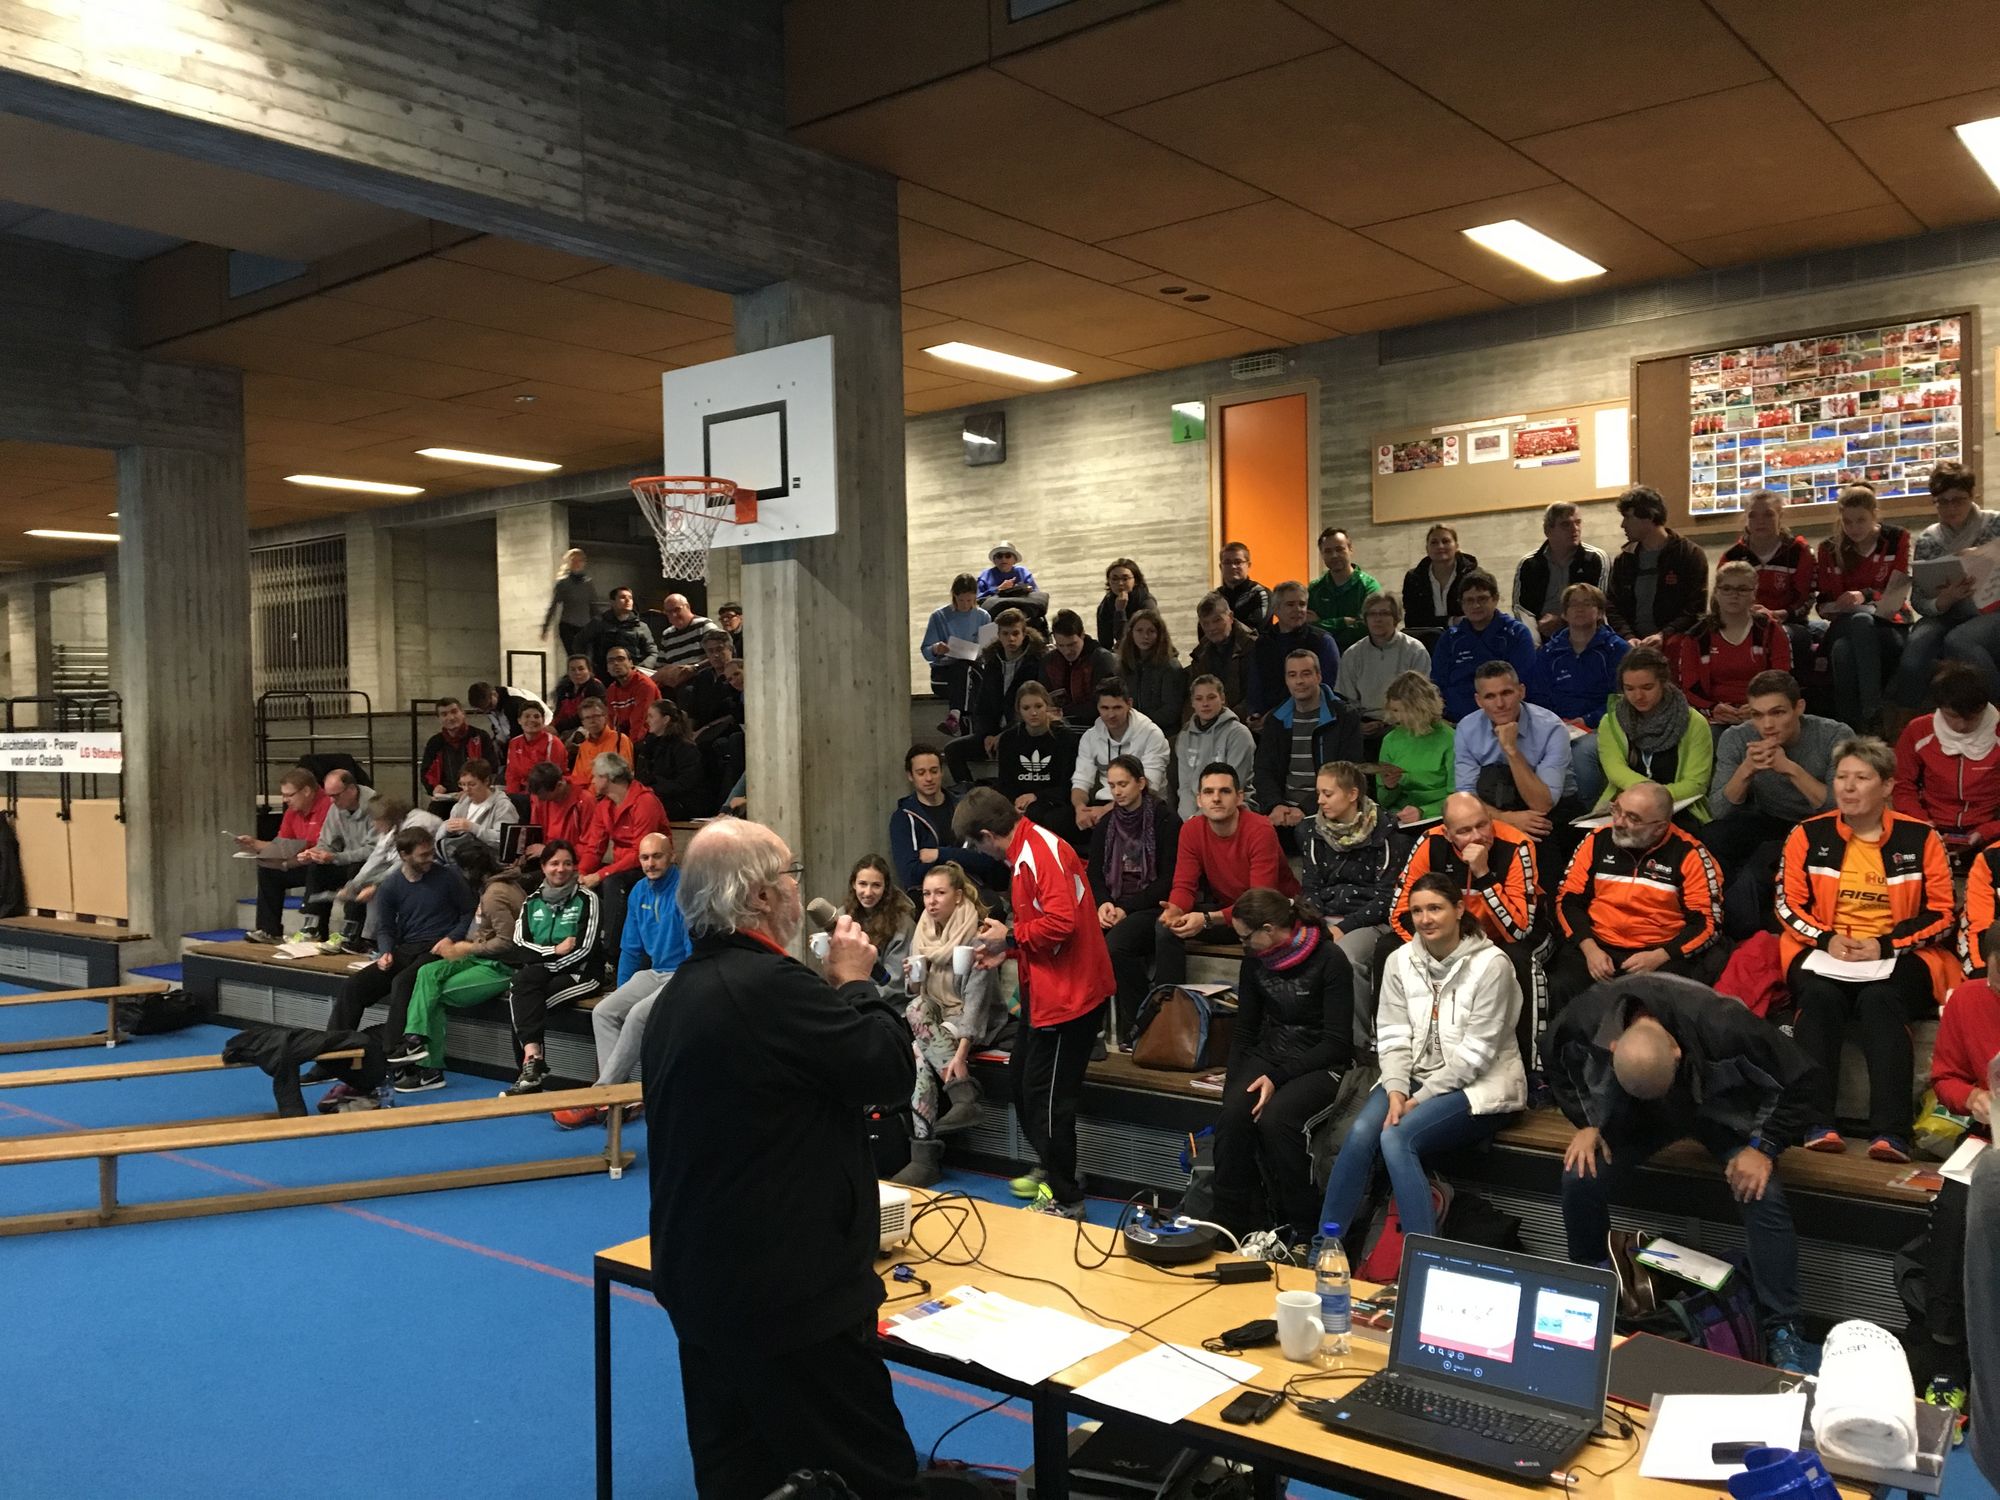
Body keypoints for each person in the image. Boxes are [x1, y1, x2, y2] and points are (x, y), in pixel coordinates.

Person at [640, 819, 921, 1500]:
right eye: (792, 874)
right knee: (869, 1475)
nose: (800, 888)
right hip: (789, 1298)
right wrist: (855, 983)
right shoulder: (768, 986)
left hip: (708, 1282)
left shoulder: (680, 993)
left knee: (742, 1472)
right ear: (762, 896)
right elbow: (887, 1070)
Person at [1546, 973, 1821, 1374]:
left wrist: (1763, 1148)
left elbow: (1803, 1079)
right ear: (1614, 1047)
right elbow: (1556, 1061)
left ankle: (1783, 1326)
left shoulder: (1724, 1024)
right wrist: (1587, 1122)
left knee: (1763, 1191)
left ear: (1676, 1050)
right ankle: (1592, 1293)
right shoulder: (1583, 1020)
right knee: (1580, 1174)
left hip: (1716, 1108)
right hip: (1636, 1112)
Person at [1320, 872, 1525, 1242]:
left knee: (1397, 1138)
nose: (1426, 919)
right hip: (1412, 1080)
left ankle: (1422, 1256)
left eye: (1435, 908)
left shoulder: (1492, 964)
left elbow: (1476, 1055)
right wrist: (1397, 1089)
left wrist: (1420, 1098)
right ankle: (1326, 1247)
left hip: (1480, 1085)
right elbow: (1393, 1035)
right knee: (1361, 1133)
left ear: (1459, 909)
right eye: (1417, 911)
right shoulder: (1400, 960)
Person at [1779, 735, 1955, 1161]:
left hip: (1899, 955)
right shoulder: (1807, 834)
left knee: (1881, 1000)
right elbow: (1786, 905)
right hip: (1825, 949)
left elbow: (1943, 914)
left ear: (1888, 785)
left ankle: (1891, 1134)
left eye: (1861, 778)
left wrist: (1885, 945)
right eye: (1842, 777)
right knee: (1818, 996)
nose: (1848, 787)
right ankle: (1817, 1124)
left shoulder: (1922, 838)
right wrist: (1827, 939)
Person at [955, 786, 1116, 1221]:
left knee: (1047, 1101)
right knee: (1025, 1087)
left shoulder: (1039, 853)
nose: (979, 853)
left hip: (1070, 997)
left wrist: (1008, 936)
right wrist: (1007, 950)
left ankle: (1067, 1198)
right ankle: (1056, 1168)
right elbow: (1044, 926)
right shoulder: (1027, 850)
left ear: (987, 836)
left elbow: (1061, 924)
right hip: (1045, 992)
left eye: (976, 845)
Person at [1212, 887, 1355, 1239]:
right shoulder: (1254, 961)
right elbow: (1245, 1030)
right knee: (1233, 1115)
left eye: (1246, 937)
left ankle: (1304, 1229)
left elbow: (1337, 1043)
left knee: (1277, 1120)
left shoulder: (1330, 958)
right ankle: (1229, 1225)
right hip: (1272, 1050)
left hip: (1321, 1059)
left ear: (1270, 929)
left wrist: (1277, 1077)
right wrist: (1233, 1088)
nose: (1243, 945)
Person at [316, 826, 476, 1108]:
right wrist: (386, 951)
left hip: (441, 948)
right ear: (404, 855)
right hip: (406, 948)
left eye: (430, 853)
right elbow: (386, 927)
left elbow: (468, 912)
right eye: (423, 855)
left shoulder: (448, 877)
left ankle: (394, 1051)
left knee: (403, 981)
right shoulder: (391, 885)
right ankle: (332, 1056)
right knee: (354, 987)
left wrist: (451, 938)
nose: (430, 859)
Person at [1547, 781, 1725, 1019]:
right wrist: (1589, 949)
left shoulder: (1691, 855)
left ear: (1659, 827)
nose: (1619, 822)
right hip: (1597, 945)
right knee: (1560, 986)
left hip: (1658, 952)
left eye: (1633, 818)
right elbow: (1567, 900)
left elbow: (1708, 923)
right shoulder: (1596, 840)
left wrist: (1661, 955)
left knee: (1656, 1008)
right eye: (1617, 810)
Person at [552, 832, 690, 1130]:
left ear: (672, 856)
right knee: (604, 1011)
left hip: (685, 974)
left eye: (657, 856)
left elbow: (697, 951)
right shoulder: (639, 891)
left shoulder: (686, 891)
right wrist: (622, 991)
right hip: (655, 972)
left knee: (638, 1015)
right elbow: (630, 948)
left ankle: (599, 1095)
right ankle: (618, 1099)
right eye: (644, 857)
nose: (650, 863)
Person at [1908, 956, 1998, 1404]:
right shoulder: (1968, 999)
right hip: (1988, 1135)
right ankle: (1946, 1357)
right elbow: (1945, 1077)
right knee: (1953, 1212)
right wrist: (1971, 1096)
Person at [1388, 793, 1544, 1048]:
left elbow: (1519, 929)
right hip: (1449, 940)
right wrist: (1442, 951)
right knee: (1388, 947)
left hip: (1504, 937)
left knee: (1518, 958)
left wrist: (1484, 875)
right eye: (1464, 831)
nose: (1477, 837)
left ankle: (1531, 1060)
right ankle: (1390, 1048)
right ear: (1447, 834)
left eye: (1482, 825)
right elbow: (1401, 912)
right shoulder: (1430, 843)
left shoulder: (1517, 845)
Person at [890, 861, 1008, 1187]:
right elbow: (916, 994)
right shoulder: (923, 931)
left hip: (972, 1018)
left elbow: (977, 1005)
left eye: (940, 893)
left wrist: (960, 1055)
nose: (931, 901)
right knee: (916, 1011)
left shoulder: (978, 936)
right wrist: (913, 979)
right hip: (935, 1019)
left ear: (957, 896)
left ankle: (924, 1156)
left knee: (919, 1049)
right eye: (927, 894)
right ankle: (963, 1095)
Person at [1707, 670, 1842, 935]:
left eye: (1777, 713)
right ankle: (1712, 915)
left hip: (1822, 827)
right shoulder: (1736, 738)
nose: (1767, 724)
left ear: (1799, 707)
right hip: (1769, 817)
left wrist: (1790, 769)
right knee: (1713, 836)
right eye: (1757, 715)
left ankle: (1747, 927)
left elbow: (1841, 807)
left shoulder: (1833, 735)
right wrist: (1746, 770)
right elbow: (1718, 810)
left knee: (1764, 861)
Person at [386, 841, 529, 1092]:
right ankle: (414, 1039)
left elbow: (507, 942)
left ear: (469, 871)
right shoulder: (495, 885)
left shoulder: (495, 893)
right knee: (427, 972)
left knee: (434, 996)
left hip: (505, 965)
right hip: (481, 956)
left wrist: (467, 948)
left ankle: (430, 1068)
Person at [1155, 763, 1298, 986]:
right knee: (1167, 928)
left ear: (1239, 797)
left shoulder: (1260, 829)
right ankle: (1171, 1000)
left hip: (1273, 914)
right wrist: (1175, 910)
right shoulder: (1191, 830)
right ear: (1199, 800)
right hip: (1229, 912)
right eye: (1208, 792)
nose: (1216, 798)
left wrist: (1207, 919)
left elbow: (1259, 903)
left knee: (1255, 929)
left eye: (1224, 791)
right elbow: (1184, 886)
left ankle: (1252, 1005)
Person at [1299, 761, 1411, 1014]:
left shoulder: (1387, 833)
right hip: (1324, 917)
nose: (1320, 801)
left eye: (1328, 794)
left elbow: (1386, 898)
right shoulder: (1312, 832)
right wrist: (1317, 925)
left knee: (1344, 958)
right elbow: (1311, 888)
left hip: (1369, 921)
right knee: (1286, 947)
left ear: (1352, 794)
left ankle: (1356, 1036)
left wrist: (1343, 928)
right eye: (1318, 793)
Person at [1893, 460, 2000, 720]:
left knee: (1959, 641)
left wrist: (1981, 556)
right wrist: (1942, 600)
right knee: (1916, 649)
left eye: (1958, 500)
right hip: (1947, 611)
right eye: (1942, 502)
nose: (1950, 508)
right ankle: (1906, 723)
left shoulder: (1994, 524)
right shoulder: (1929, 539)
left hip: (1991, 609)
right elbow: (1919, 599)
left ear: (1972, 496)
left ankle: (1995, 711)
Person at [1088, 754, 1181, 1045]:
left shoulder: (1166, 820)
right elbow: (1094, 874)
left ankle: (1143, 1022)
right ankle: (1087, 1026)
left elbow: (1168, 880)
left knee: (1116, 947)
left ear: (1141, 783)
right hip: (1113, 904)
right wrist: (1103, 904)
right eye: (1112, 785)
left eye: (1123, 784)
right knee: (1075, 938)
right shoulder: (1106, 824)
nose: (1117, 792)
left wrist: (1125, 908)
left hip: (1152, 906)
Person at [500, 839, 603, 1096]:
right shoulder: (531, 902)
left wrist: (543, 962)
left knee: (525, 1002)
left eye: (567, 863)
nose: (561, 869)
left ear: (575, 867)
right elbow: (520, 946)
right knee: (522, 992)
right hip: (543, 972)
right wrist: (553, 951)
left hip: (582, 974)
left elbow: (584, 950)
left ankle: (528, 1075)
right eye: (554, 863)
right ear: (543, 867)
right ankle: (532, 1067)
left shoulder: (588, 899)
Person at [1817, 483, 1912, 732]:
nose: (1854, 528)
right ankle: (1872, 714)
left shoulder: (1896, 538)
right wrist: (1830, 607)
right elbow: (1823, 601)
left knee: (1842, 651)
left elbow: (1897, 591)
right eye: (1847, 522)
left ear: (1874, 515)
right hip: (1846, 623)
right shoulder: (1829, 548)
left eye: (1861, 520)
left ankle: (1852, 726)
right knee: (1859, 621)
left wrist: (1866, 595)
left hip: (1889, 621)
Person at [1588, 646, 1713, 822]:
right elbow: (1615, 771)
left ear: (1663, 682)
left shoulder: (1694, 722)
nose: (1638, 696)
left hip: (1679, 808)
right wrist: (1643, 800)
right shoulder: (1611, 722)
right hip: (1624, 807)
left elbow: (1696, 783)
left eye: (1647, 687)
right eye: (1629, 689)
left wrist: (1652, 800)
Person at [1253, 647, 1365, 842]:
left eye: (1306, 674)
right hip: (1282, 812)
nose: (1299, 681)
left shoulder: (1344, 717)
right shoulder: (1276, 719)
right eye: (1292, 675)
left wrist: (1306, 809)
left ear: (1318, 676)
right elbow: (1263, 770)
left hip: (1328, 811)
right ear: (1286, 680)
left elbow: (1348, 772)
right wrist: (1275, 805)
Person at [1454, 661, 1576, 837]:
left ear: (1521, 691)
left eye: (1506, 693)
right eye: (1490, 697)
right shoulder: (1466, 729)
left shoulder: (1552, 728)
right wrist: (1505, 819)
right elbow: (1467, 796)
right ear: (1479, 701)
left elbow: (1542, 804)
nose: (1500, 704)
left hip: (1548, 812)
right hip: (1491, 812)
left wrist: (1511, 750)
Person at [1894, 660, 2000, 856]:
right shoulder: (1918, 731)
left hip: (1991, 831)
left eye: (1971, 717)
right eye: (1952, 716)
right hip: (1928, 827)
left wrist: (1987, 831)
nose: (1961, 726)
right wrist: (1923, 824)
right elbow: (1901, 785)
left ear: (1984, 707)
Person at [1671, 560, 1793, 726]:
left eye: (1742, 589)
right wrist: (1712, 708)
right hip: (1716, 717)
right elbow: (1689, 686)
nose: (1734, 595)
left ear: (1754, 593)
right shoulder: (1697, 636)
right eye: (1727, 588)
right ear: (1716, 592)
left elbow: (1782, 679)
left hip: (1765, 714)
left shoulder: (1771, 630)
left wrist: (1760, 706)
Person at [577, 752, 670, 952]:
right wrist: (581, 874)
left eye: (595, 776)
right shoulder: (604, 806)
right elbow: (594, 847)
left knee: (611, 882)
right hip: (622, 867)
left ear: (607, 777)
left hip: (648, 866)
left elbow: (641, 853)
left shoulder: (645, 802)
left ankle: (610, 952)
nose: (592, 781)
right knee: (582, 885)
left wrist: (601, 874)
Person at [327, 795, 441, 952]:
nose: (374, 825)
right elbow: (377, 857)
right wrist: (353, 885)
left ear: (386, 817)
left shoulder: (418, 822)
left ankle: (371, 940)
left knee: (381, 889)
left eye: (375, 820)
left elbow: (404, 862)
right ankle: (361, 936)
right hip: (410, 866)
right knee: (368, 882)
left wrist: (375, 886)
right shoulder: (392, 826)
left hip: (430, 866)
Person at [947, 605, 1046, 784]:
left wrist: (1004, 735)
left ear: (1024, 634)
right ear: (999, 635)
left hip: (1023, 731)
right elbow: (982, 705)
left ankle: (1005, 792)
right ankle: (969, 793)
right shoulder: (993, 661)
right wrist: (986, 734)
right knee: (953, 750)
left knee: (1009, 747)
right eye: (1006, 634)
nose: (1011, 638)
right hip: (992, 732)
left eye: (1015, 633)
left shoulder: (1037, 662)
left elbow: (1033, 708)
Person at [1719, 489, 1816, 665]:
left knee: (1782, 638)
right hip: (1743, 623)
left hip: (1788, 623)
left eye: (1768, 514)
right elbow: (1720, 601)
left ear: (1780, 516)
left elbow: (1805, 600)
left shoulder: (1799, 552)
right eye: (1753, 516)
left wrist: (1778, 615)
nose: (1760, 521)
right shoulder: (1732, 557)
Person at [239, 766, 333, 944]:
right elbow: (283, 843)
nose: (285, 800)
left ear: (306, 791)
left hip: (328, 863)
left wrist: (296, 857)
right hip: (301, 860)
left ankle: (314, 930)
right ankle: (269, 930)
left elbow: (325, 844)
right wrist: (256, 844)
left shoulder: (329, 806)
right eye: (283, 795)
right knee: (269, 871)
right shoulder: (292, 811)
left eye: (289, 795)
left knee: (316, 866)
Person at [1607, 484, 1708, 647]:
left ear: (1649, 516)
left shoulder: (1688, 554)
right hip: (1633, 647)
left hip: (1675, 646)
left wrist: (1665, 635)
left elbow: (1695, 608)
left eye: (1628, 517)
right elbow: (1612, 606)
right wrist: (1627, 637)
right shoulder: (1624, 560)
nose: (1623, 525)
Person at [1429, 569, 1535, 723]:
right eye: (1469, 600)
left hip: (1505, 719)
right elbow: (1438, 684)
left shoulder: (1516, 634)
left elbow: (1524, 682)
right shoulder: (1450, 639)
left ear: (1495, 599)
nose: (1476, 605)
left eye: (1482, 599)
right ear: (1461, 604)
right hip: (1456, 722)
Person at [1070, 679, 1171, 832]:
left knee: (1104, 826)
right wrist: (1080, 809)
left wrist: (1106, 811)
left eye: (1117, 707)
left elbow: (1149, 786)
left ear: (1129, 704)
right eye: (1104, 708)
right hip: (1104, 801)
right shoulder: (1090, 737)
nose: (1111, 715)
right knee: (1061, 822)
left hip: (1144, 804)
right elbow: (1081, 780)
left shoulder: (1152, 734)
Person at [992, 681, 1082, 845]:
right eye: (1026, 708)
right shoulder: (1008, 739)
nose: (1033, 713)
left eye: (1038, 706)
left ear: (1047, 706)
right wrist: (1015, 802)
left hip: (1054, 802)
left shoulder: (1065, 738)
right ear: (1019, 711)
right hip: (1019, 802)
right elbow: (1005, 782)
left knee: (1039, 815)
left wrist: (1037, 796)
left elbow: (1069, 785)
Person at [292, 769, 376, 943]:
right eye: (329, 795)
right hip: (346, 860)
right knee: (317, 868)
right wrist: (314, 853)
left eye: (335, 795)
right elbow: (327, 842)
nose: (331, 800)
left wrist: (335, 857)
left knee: (357, 869)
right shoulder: (336, 808)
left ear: (351, 790)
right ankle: (314, 927)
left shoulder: (375, 806)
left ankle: (351, 932)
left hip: (372, 865)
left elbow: (374, 850)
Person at [1528, 583, 1628, 726]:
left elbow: (1624, 697)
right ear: (1564, 614)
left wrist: (1588, 720)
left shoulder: (1617, 650)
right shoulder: (1548, 653)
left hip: (1603, 726)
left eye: (1587, 604)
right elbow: (1538, 697)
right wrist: (1555, 722)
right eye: (1573, 604)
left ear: (1600, 613)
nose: (1580, 609)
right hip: (1557, 726)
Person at [1335, 591, 1429, 740]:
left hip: (1404, 725)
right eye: (1372, 614)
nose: (1377, 619)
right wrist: (1358, 725)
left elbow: (1421, 698)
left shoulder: (1415, 651)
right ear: (1365, 619)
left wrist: (1398, 722)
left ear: (1396, 618)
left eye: (1384, 613)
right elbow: (1345, 701)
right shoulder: (1352, 654)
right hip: (1364, 725)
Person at [1512, 501, 1609, 641]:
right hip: (1541, 633)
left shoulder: (1594, 559)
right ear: (1548, 530)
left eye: (1578, 523)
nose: (1575, 529)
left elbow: (1600, 604)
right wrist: (1534, 636)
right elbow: (1521, 608)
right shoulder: (1529, 563)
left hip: (1585, 632)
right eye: (1566, 524)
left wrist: (1562, 621)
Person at [1249, 581, 1341, 716]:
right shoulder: (1263, 643)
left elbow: (1328, 688)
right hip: (1268, 720)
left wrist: (1278, 715)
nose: (1298, 609)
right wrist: (1256, 714)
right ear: (1276, 609)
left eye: (1302, 604)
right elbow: (1255, 688)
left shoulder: (1322, 641)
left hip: (1312, 716)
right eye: (1290, 604)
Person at [1376, 670, 1455, 825]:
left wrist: (1424, 812)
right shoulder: (1390, 740)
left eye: (1403, 711)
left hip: (1440, 817)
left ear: (1421, 708)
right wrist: (1390, 787)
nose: (1397, 718)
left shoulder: (1450, 739)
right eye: (1394, 711)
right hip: (1399, 819)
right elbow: (1383, 801)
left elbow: (1459, 796)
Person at [1172, 673, 1255, 820]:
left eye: (1211, 697)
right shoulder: (1184, 736)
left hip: (1232, 810)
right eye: (1199, 699)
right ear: (1192, 703)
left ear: (1222, 698)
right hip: (1193, 815)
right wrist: (1190, 819)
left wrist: (1200, 819)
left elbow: (1232, 787)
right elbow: (1185, 787)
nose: (1205, 704)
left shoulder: (1239, 734)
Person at [922, 572, 991, 736]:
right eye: (961, 600)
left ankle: (955, 716)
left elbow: (988, 650)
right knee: (963, 670)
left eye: (969, 600)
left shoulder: (983, 617)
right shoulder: (939, 616)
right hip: (945, 670)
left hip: (973, 669)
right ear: (954, 596)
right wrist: (936, 648)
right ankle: (969, 727)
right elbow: (926, 650)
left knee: (966, 669)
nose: (965, 605)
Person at [844, 853, 917, 988]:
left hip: (885, 997)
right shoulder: (843, 917)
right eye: (863, 884)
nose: (868, 892)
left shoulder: (903, 925)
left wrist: (859, 996)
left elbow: (894, 982)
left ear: (886, 887)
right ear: (854, 884)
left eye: (876, 885)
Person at [1401, 523, 1480, 646]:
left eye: (1445, 541)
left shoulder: (1473, 576)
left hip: (1468, 639)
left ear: (1456, 546)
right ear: (1427, 548)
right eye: (1434, 542)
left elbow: (1477, 615)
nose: (1440, 546)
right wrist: (1451, 621)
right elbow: (1413, 621)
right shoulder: (1414, 579)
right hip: (1426, 644)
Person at [1114, 607, 1187, 734]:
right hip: (1130, 730)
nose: (1145, 636)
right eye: (1139, 631)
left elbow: (1171, 711)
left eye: (1151, 631)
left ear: (1159, 634)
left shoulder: (1170, 667)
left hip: (1162, 732)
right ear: (1131, 633)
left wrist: (1139, 723)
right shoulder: (1124, 665)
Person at [632, 698, 706, 820]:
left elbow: (685, 784)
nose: (647, 721)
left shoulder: (685, 748)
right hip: (655, 797)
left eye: (651, 716)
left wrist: (653, 786)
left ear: (666, 719)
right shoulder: (647, 746)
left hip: (680, 803)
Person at [1307, 526, 1379, 649]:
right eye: (1328, 551)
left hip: (1361, 654)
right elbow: (1307, 628)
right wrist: (1343, 622)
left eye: (1339, 549)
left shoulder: (1368, 586)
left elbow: (1366, 627)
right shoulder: (1314, 589)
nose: (1334, 555)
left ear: (1350, 549)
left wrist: (1322, 625)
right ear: (1322, 555)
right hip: (1324, 655)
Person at [1044, 609, 1119, 726]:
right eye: (1061, 645)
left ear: (1082, 635)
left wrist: (1063, 712)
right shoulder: (1049, 661)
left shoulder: (1101, 660)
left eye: (1072, 644)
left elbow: (1101, 703)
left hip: (1094, 726)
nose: (1067, 651)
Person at [1190, 589, 1259, 712]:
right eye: (1206, 623)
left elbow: (1257, 693)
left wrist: (1228, 718)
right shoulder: (1200, 654)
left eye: (1217, 620)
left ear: (1230, 617)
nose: (1212, 628)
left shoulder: (1253, 647)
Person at [418, 697, 496, 805]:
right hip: (445, 798)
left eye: (454, 712)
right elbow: (426, 772)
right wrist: (434, 788)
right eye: (444, 714)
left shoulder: (480, 736)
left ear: (463, 713)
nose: (450, 717)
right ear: (439, 719)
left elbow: (491, 768)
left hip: (475, 797)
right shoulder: (434, 742)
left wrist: (469, 789)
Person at [437, 758, 518, 860]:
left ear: (486, 781)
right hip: (460, 858)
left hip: (489, 862)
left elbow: (504, 841)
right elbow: (439, 837)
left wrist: (473, 828)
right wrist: (446, 828)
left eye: (472, 784)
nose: (466, 789)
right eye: (462, 784)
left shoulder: (502, 806)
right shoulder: (461, 805)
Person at [577, 585, 658, 677]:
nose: (627, 600)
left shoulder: (641, 626)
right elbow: (579, 642)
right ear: (613, 602)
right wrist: (588, 667)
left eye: (630, 598)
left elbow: (653, 652)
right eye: (622, 597)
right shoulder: (599, 623)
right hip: (604, 675)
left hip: (633, 675)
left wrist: (641, 669)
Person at [526, 759, 597, 855]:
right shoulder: (538, 797)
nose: (539, 799)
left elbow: (590, 845)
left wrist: (549, 851)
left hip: (571, 860)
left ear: (559, 785)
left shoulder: (585, 801)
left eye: (544, 795)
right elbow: (534, 835)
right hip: (545, 857)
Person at [649, 593, 715, 691]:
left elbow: (719, 654)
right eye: (669, 612)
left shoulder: (704, 625)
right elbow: (660, 665)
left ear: (687, 607)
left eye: (677, 610)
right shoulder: (667, 634)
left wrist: (695, 668)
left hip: (701, 679)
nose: (673, 615)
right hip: (675, 684)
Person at [503, 700, 568, 798]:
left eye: (536, 716)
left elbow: (552, 779)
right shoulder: (514, 743)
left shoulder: (553, 743)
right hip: (522, 794)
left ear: (543, 720)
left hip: (546, 794)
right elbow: (512, 775)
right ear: (519, 720)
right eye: (527, 716)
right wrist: (511, 798)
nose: (532, 720)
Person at [565, 695, 630, 788]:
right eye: (587, 718)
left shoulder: (620, 740)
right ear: (583, 723)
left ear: (605, 717)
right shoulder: (583, 747)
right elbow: (577, 779)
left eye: (596, 716)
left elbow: (621, 777)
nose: (592, 721)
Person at [687, 627, 742, 734]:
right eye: (710, 651)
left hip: (729, 730)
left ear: (730, 649)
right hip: (701, 731)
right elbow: (693, 712)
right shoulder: (702, 677)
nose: (715, 655)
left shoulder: (740, 674)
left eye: (719, 650)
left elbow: (735, 714)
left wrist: (704, 731)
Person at [542, 547, 595, 659]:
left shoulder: (588, 583)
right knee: (574, 657)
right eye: (574, 560)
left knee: (584, 658)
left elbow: (593, 605)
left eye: (580, 560)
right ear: (569, 563)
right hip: (568, 625)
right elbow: (553, 605)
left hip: (585, 626)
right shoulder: (563, 583)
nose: (577, 563)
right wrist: (545, 627)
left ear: (583, 563)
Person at [601, 645, 660, 741]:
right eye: (611, 661)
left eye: (620, 659)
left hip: (650, 738)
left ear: (631, 663)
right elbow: (610, 723)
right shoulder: (611, 690)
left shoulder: (645, 685)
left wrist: (628, 747)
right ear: (607, 668)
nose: (616, 663)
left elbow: (641, 724)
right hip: (626, 739)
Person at [1096, 557, 1156, 650]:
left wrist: (1120, 611)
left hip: (1149, 650)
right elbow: (1105, 642)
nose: (1120, 583)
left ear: (1135, 581)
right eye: (1114, 579)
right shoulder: (1107, 603)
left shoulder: (1146, 602)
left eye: (1125, 578)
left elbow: (1127, 639)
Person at [1217, 541, 1271, 635]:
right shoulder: (1214, 597)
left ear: (1248, 565)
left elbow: (1255, 630)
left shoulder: (1261, 594)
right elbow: (1205, 631)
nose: (1233, 566)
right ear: (1221, 567)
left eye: (1238, 562)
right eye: (1227, 562)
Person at [977, 540, 1044, 615]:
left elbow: (1036, 595)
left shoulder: (1023, 572)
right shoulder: (985, 576)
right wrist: (997, 589)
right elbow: (978, 599)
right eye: (999, 556)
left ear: (1015, 560)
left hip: (1023, 614)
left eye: (1008, 556)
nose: (1003, 559)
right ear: (994, 560)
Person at [549, 653, 607, 734]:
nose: (577, 672)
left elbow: (585, 716)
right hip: (565, 728)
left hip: (588, 728)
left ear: (589, 671)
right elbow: (558, 714)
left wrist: (557, 728)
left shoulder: (595, 687)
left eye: (581, 669)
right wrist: (551, 727)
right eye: (573, 669)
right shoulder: (564, 688)